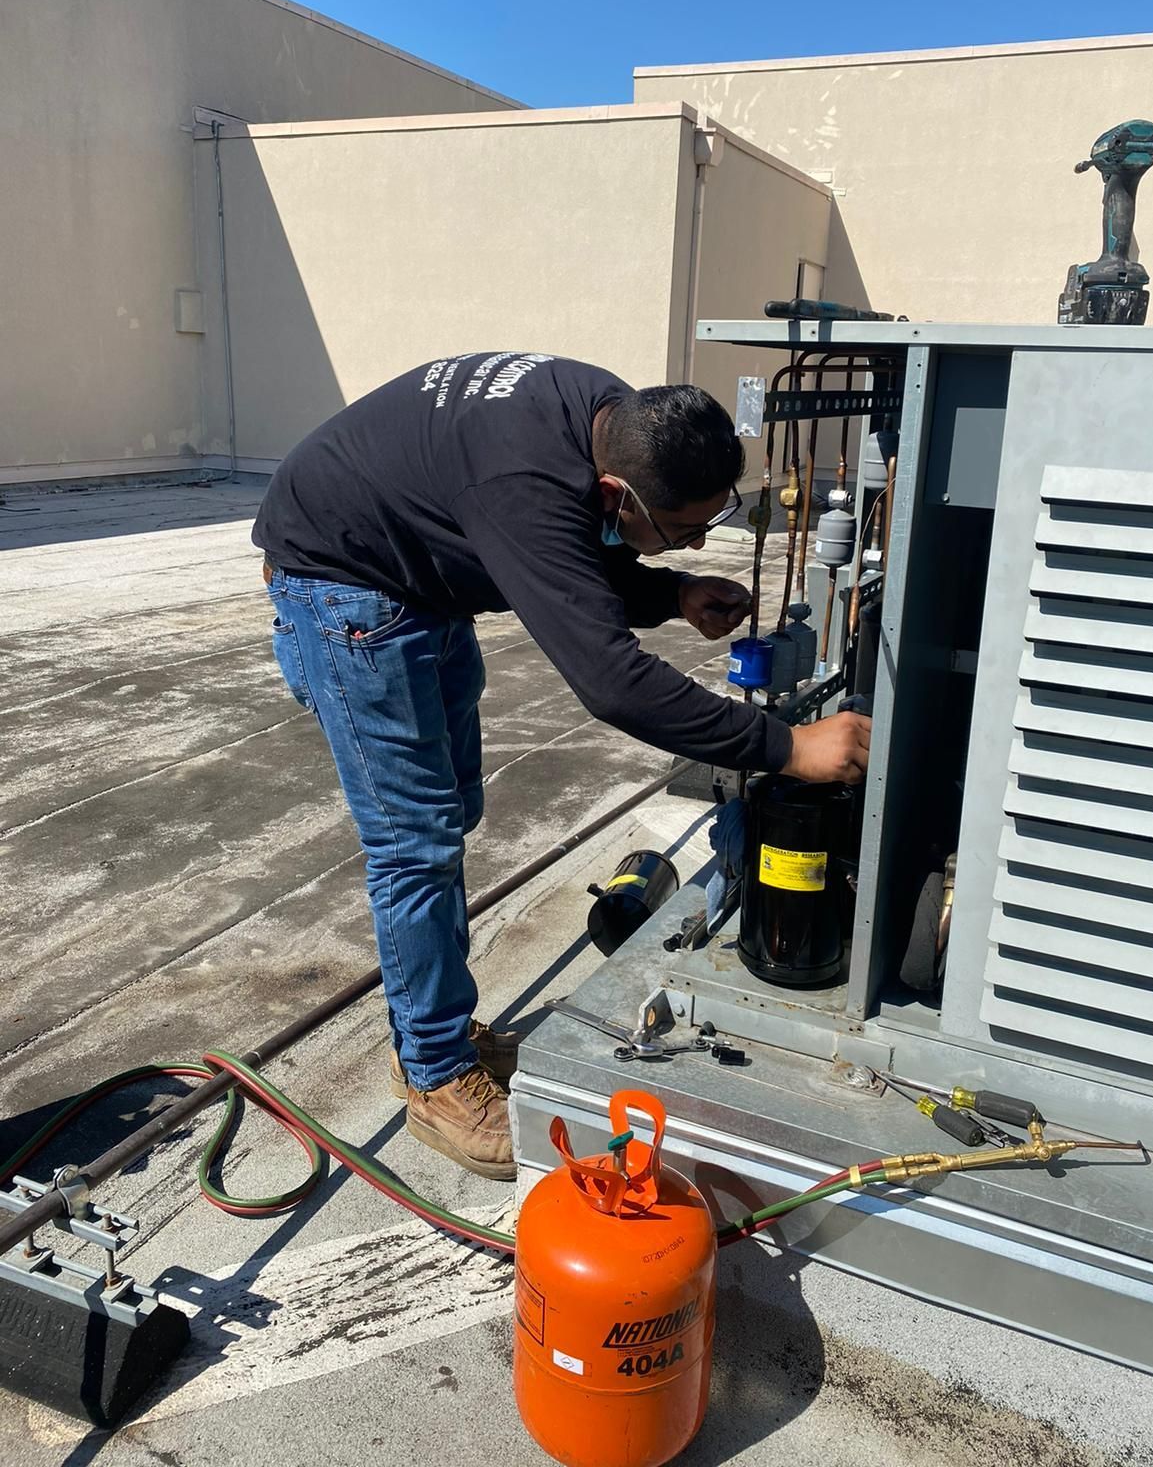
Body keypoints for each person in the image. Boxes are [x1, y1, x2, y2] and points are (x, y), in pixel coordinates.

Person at [252, 352, 870, 1181]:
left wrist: (671, 589)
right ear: (621, 495)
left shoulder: (609, 416)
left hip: (415, 580)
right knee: (416, 845)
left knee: (451, 814)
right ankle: (434, 1073)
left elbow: (572, 552)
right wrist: (789, 748)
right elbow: (610, 681)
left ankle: (426, 1018)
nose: (688, 542)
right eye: (684, 530)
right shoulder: (524, 483)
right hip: (344, 592)